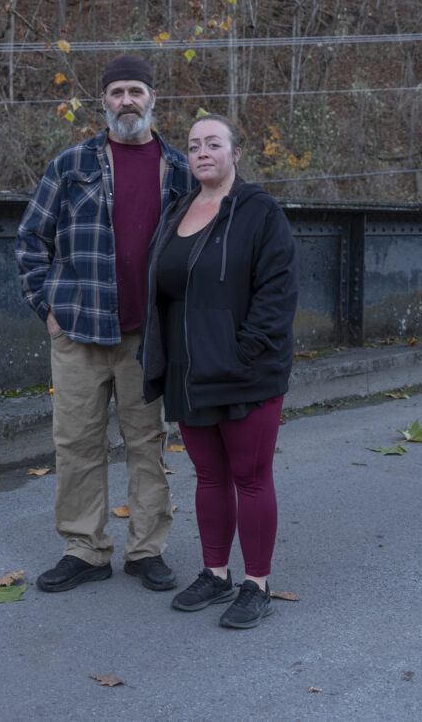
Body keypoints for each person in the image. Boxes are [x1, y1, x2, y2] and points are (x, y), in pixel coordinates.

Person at [15, 55, 195, 593]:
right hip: (78, 331)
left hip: (149, 336)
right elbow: (31, 240)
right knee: (76, 444)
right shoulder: (72, 164)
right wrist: (46, 309)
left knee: (148, 444)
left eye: (136, 91)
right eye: (116, 92)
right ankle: (85, 548)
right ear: (103, 101)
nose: (127, 101)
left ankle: (147, 550)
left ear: (153, 99)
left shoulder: (181, 170)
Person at [141, 114, 298, 628]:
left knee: (251, 478)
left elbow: (277, 294)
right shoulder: (178, 210)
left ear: (234, 152)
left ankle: (257, 583)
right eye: (193, 145)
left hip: (244, 371)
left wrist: (243, 354)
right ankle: (216, 573)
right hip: (189, 371)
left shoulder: (260, 212)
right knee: (208, 477)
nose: (202, 152)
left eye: (213, 143)